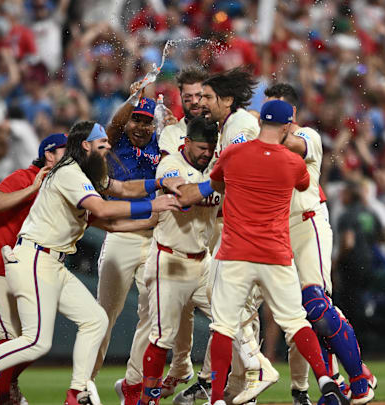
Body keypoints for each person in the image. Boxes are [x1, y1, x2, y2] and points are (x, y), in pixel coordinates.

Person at [0, 121, 185, 405]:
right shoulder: (69, 171)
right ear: (86, 145)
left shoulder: (86, 173)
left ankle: (77, 393)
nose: (108, 148)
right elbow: (103, 208)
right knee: (35, 342)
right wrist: (153, 205)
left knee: (95, 320)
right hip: (34, 257)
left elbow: (122, 188)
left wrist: (158, 184)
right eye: (102, 143)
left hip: (52, 262)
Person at [177, 100, 349, 405]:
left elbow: (217, 182)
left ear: (261, 124)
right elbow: (304, 183)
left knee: (223, 328)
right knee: (296, 322)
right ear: (286, 127)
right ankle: (326, 381)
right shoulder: (293, 162)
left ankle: (217, 398)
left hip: (235, 254)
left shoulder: (232, 154)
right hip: (275, 253)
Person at [265, 83, 376, 405]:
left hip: (307, 222)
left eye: (279, 110)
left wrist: (262, 127)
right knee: (303, 317)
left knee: (316, 305)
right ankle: (338, 384)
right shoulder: (264, 147)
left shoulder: (308, 135)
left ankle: (359, 380)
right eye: (268, 110)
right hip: (278, 232)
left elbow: (297, 145)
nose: (272, 117)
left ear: (292, 112)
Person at [198, 67, 278, 403]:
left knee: (225, 302)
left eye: (208, 97)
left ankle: (258, 369)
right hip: (242, 227)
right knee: (235, 308)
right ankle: (244, 385)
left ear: (227, 99)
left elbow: (247, 170)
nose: (202, 102)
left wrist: (199, 191)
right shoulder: (230, 126)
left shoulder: (241, 125)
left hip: (249, 229)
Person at [0, 133, 66, 405]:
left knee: (34, 343)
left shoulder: (60, 185)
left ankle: (5, 380)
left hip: (21, 270)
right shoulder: (24, 176)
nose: (71, 155)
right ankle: (2, 396)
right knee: (12, 338)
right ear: (49, 154)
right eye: (65, 150)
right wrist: (33, 188)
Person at [133, 117, 221, 405]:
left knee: (229, 321)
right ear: (186, 143)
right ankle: (150, 400)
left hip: (203, 262)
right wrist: (218, 180)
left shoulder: (214, 166)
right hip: (170, 260)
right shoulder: (172, 163)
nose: (206, 153)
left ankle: (220, 390)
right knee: (162, 339)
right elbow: (183, 196)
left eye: (211, 148)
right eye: (201, 148)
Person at [91, 86, 164, 395]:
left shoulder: (161, 142)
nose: (140, 126)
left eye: (147, 121)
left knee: (152, 314)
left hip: (153, 237)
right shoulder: (116, 140)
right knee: (103, 314)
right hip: (122, 236)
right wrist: (135, 98)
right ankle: (83, 382)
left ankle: (133, 383)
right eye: (136, 120)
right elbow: (117, 122)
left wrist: (167, 121)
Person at [159, 67, 208, 157]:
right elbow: (166, 168)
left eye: (199, 95)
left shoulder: (222, 129)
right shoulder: (170, 133)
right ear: (180, 97)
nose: (194, 101)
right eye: (188, 96)